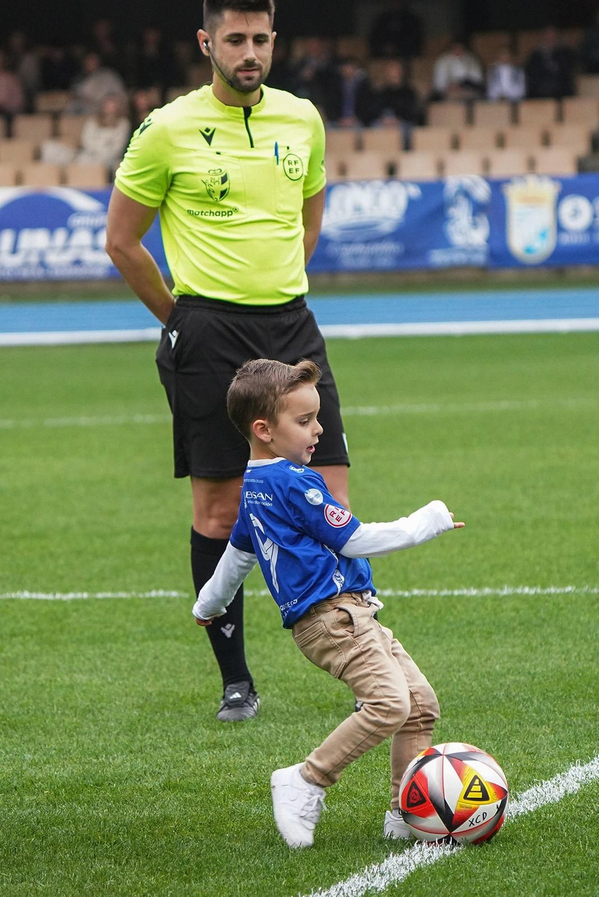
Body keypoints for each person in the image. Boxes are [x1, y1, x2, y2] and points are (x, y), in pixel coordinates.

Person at [105, 0, 348, 723]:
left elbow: (310, 216)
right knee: (219, 510)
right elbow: (122, 240)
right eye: (235, 39)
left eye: (261, 39)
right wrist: (181, 318)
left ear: (276, 41)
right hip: (207, 331)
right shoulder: (166, 128)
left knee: (332, 494)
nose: (250, 52)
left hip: (292, 325)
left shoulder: (302, 118)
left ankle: (357, 650)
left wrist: (278, 289)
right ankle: (236, 679)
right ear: (207, 42)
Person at [192, 358, 461, 848]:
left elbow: (235, 557)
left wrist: (208, 603)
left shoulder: (254, 488)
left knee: (419, 706)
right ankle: (306, 780)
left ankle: (408, 815)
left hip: (354, 614)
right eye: (304, 421)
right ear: (264, 430)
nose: (318, 429)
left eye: (317, 417)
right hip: (333, 619)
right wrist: (430, 519)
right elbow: (355, 540)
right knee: (388, 703)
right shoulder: (293, 484)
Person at [76, 94, 130, 168]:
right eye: (108, 105)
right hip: (91, 156)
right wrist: (100, 148)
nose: (111, 109)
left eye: (113, 106)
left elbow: (118, 147)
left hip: (111, 159)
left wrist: (104, 152)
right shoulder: (92, 121)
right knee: (81, 160)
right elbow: (86, 141)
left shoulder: (123, 124)